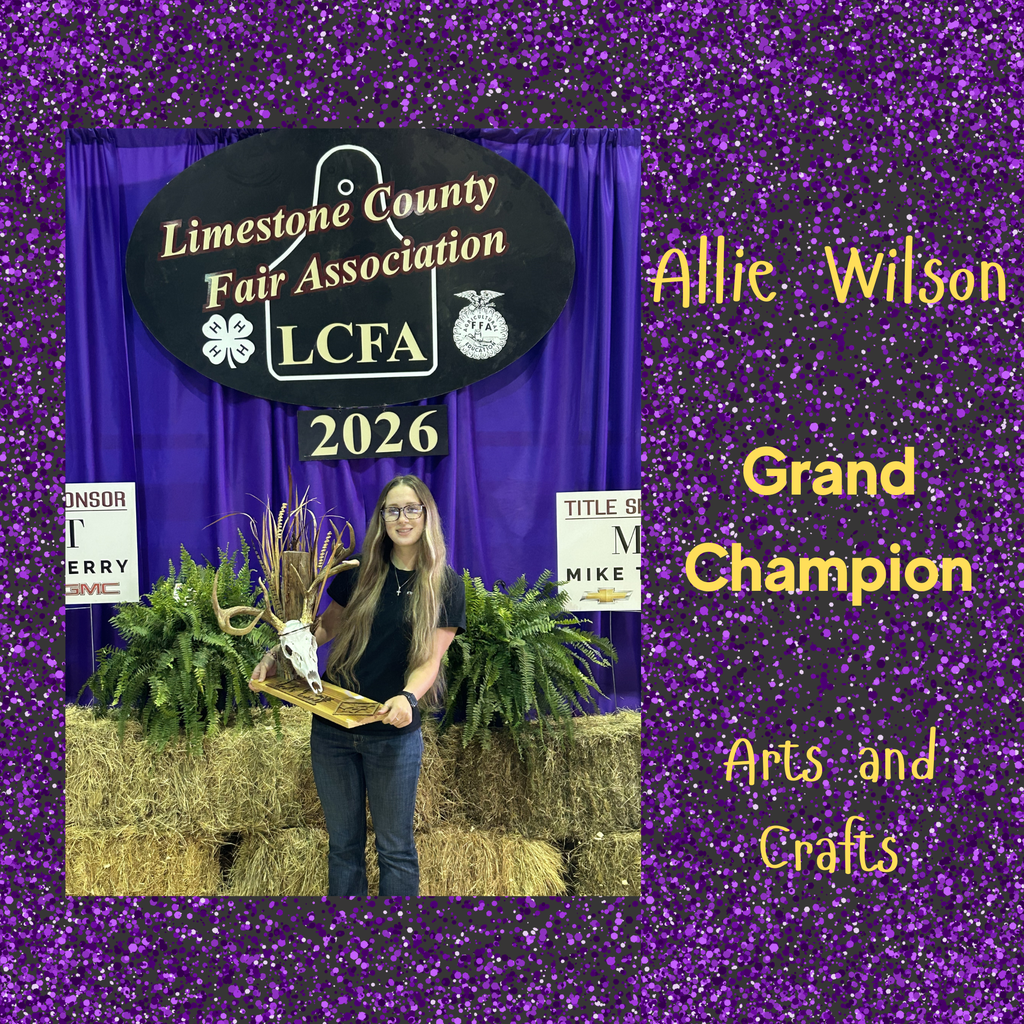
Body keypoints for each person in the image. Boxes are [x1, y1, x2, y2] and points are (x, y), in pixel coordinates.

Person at [249, 474, 465, 897]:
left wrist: (407, 698)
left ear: (427, 515)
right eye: (392, 510)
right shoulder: (360, 570)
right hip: (334, 728)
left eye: (411, 509)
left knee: (395, 849)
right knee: (343, 847)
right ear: (382, 517)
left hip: (393, 735)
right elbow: (326, 628)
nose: (402, 519)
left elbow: (429, 662)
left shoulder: (445, 585)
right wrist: (281, 654)